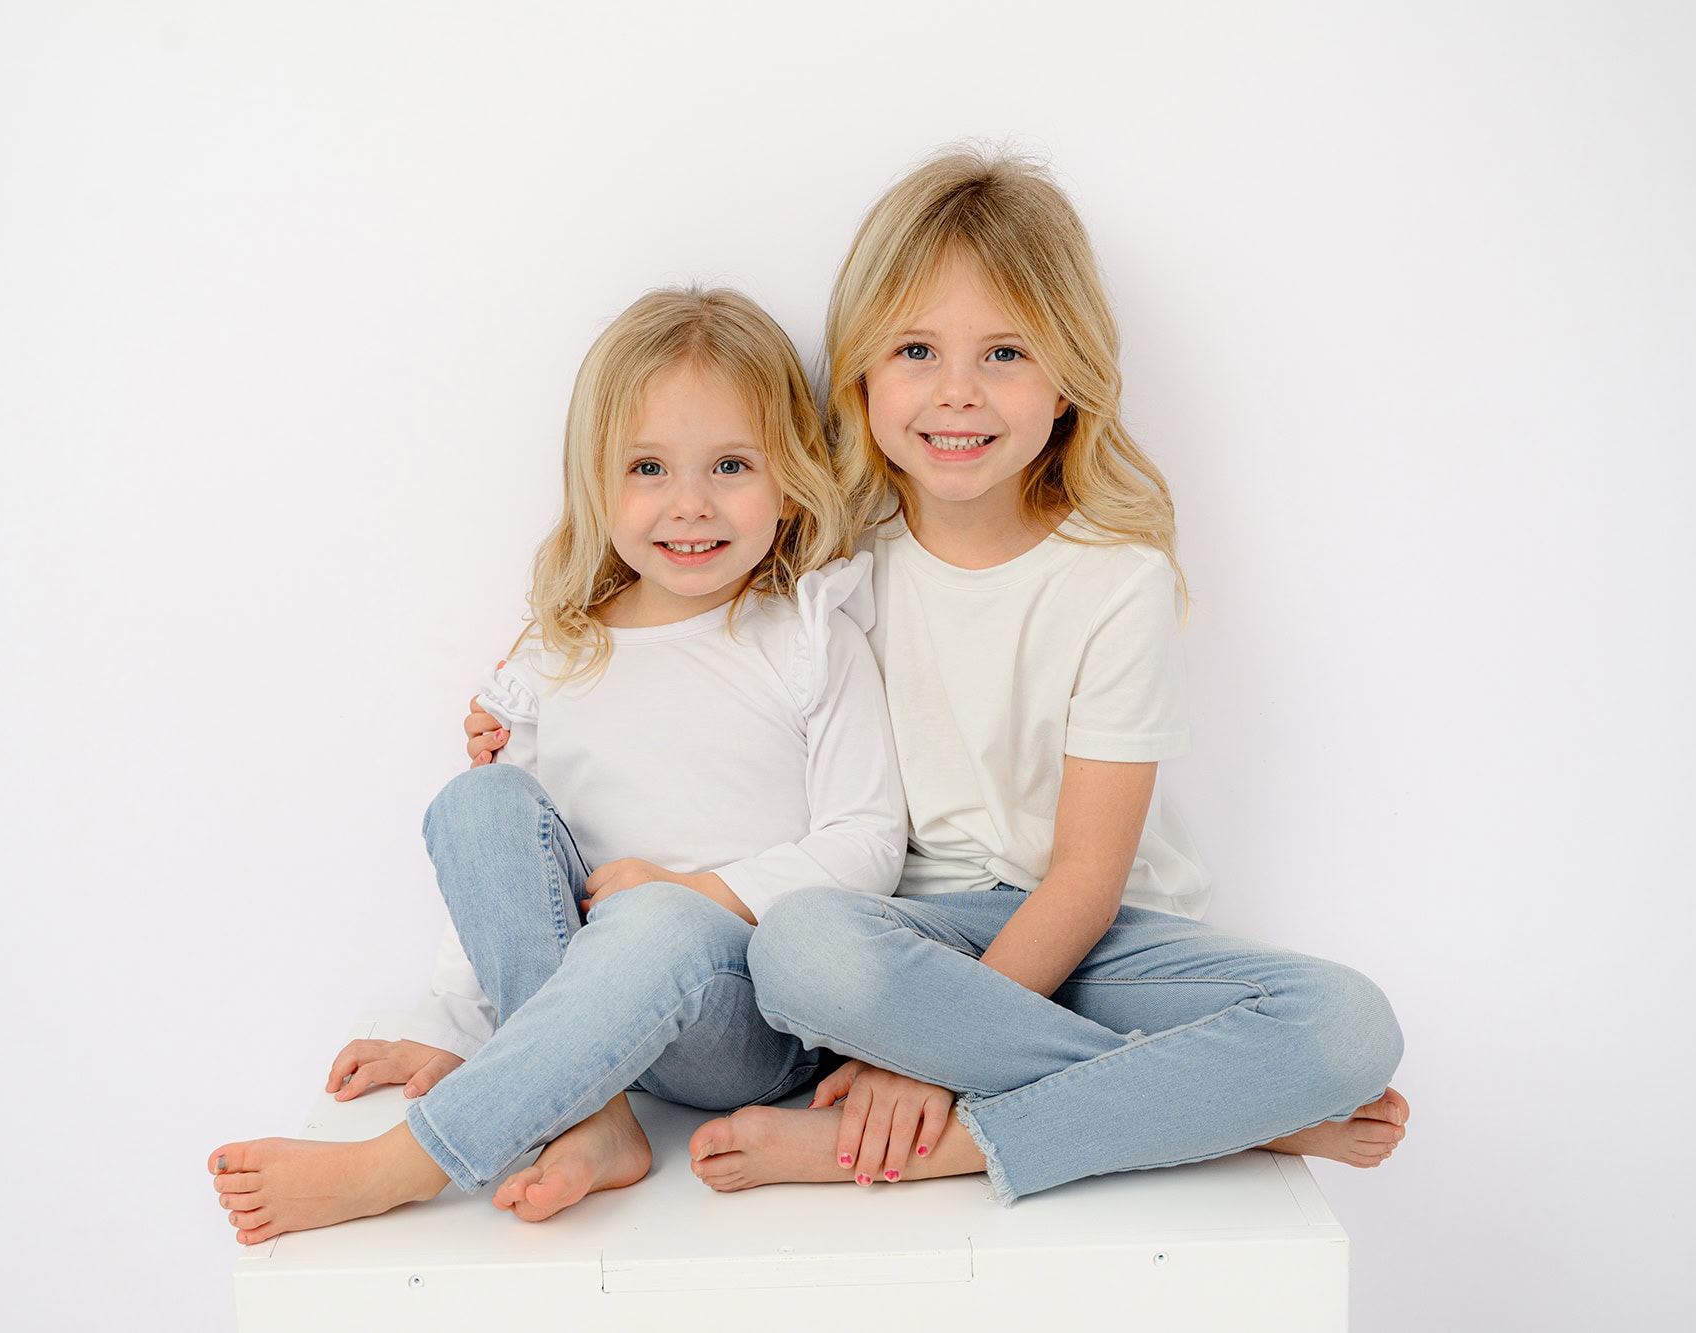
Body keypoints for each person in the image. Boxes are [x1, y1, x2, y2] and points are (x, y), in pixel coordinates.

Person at [470, 148, 1411, 1204]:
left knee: (1348, 1027)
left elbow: (1083, 881)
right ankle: (1216, 1112)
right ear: (861, 375)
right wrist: (521, 703)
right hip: (900, 949)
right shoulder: (834, 553)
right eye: (915, 350)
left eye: (1005, 352)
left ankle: (961, 1138)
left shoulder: (1117, 581)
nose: (956, 393)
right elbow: (672, 639)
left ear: (1069, 378)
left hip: (1095, 941)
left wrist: (930, 1057)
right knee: (803, 945)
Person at [209, 287, 906, 1242]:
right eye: (649, 467)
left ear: (789, 479)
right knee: (476, 802)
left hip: (746, 1024)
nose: (690, 503)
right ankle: (593, 1115)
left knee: (655, 920)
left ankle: (401, 1165)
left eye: (731, 465)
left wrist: (695, 891)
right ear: (595, 481)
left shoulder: (809, 636)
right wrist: (454, 1027)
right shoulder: (558, 654)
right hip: (584, 1015)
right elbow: (504, 883)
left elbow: (868, 843)